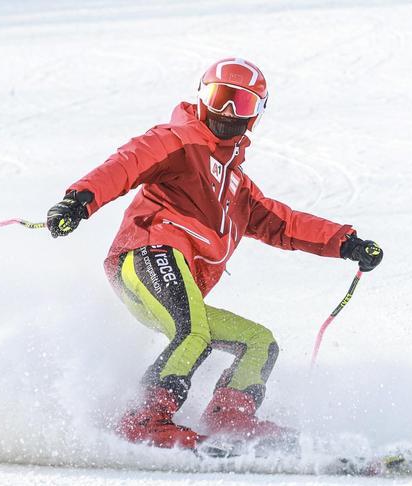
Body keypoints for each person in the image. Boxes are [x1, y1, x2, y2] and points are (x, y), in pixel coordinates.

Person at [46, 58, 383, 451]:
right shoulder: (179, 140)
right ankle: (142, 420)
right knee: (193, 333)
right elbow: (128, 162)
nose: (226, 112)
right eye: (219, 97)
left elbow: (286, 223)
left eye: (240, 104)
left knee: (259, 342)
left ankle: (231, 421)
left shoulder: (238, 189)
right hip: (147, 253)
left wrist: (346, 242)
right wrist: (80, 201)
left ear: (255, 115)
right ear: (201, 96)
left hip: (176, 279)